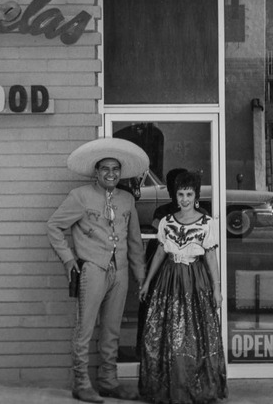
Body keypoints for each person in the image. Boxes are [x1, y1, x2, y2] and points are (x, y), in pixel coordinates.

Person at [46, 137, 149, 403]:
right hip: (92, 269)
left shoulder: (127, 199)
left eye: (115, 169)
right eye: (105, 169)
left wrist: (141, 276)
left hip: (121, 271)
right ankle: (81, 383)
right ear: (96, 171)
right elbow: (54, 227)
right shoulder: (80, 196)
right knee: (85, 328)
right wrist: (69, 260)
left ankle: (108, 382)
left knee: (112, 330)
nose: (111, 173)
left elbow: (135, 241)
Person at [138, 171, 228, 403]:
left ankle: (196, 387)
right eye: (181, 194)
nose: (185, 199)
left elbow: (211, 257)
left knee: (195, 333)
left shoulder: (207, 222)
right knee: (168, 331)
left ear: (196, 195)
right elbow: (160, 251)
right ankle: (169, 387)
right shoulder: (167, 221)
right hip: (169, 279)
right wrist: (148, 282)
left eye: (189, 194)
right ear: (175, 196)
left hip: (195, 278)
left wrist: (217, 289)